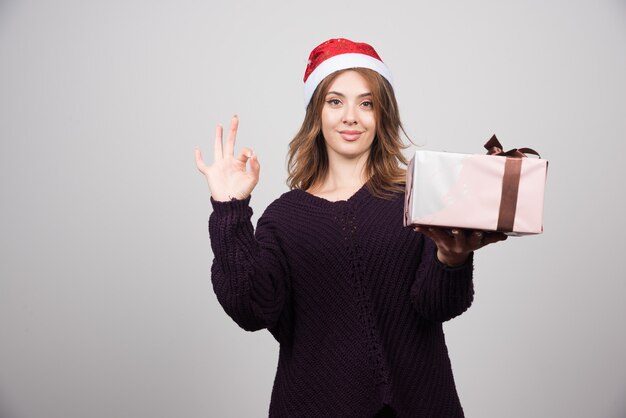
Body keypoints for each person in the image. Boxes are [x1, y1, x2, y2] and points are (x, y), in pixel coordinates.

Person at [195, 38, 507, 418]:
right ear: (317, 113)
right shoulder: (284, 218)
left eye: (366, 103)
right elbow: (251, 309)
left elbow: (435, 305)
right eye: (335, 101)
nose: (351, 117)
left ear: (381, 115)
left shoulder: (417, 196)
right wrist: (230, 210)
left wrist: (451, 259)